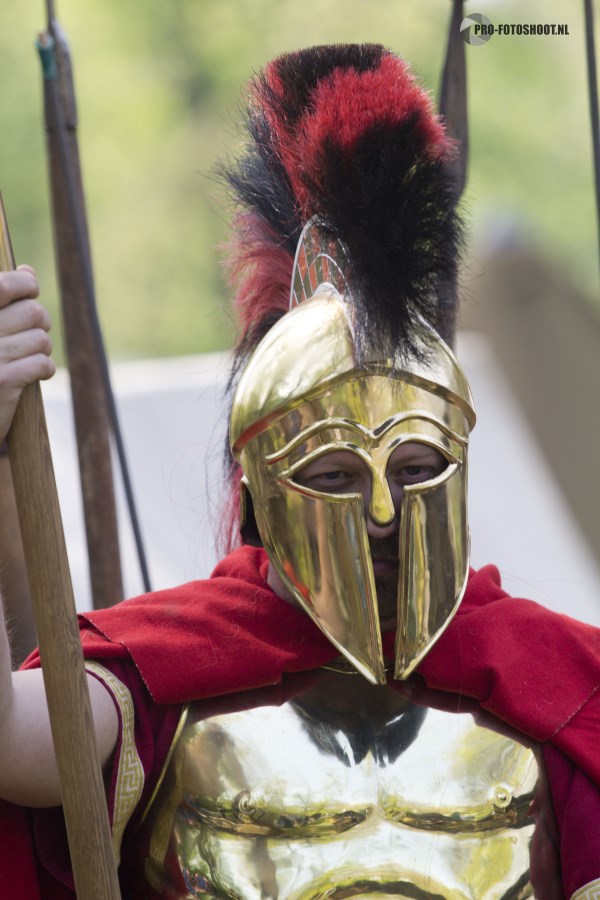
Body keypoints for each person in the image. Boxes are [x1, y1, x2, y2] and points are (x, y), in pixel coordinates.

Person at [0, 44, 599, 899]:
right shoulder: (173, 669)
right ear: (260, 488)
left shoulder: (557, 680)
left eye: (417, 467)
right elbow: (9, 742)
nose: (384, 511)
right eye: (335, 475)